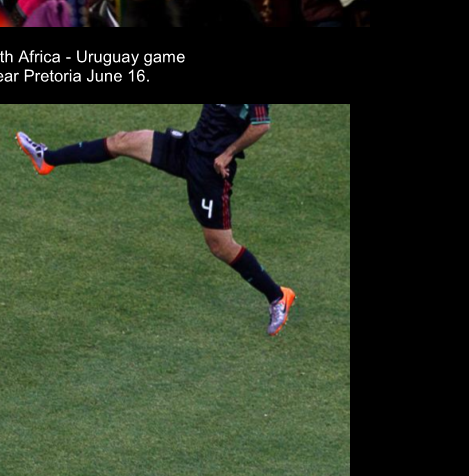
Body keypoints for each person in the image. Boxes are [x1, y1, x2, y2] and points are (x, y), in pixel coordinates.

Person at [16, 107, 296, 336]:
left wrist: (228, 153)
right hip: (188, 147)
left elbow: (262, 124)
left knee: (220, 246)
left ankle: (277, 296)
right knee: (122, 141)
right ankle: (47, 158)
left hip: (211, 170)